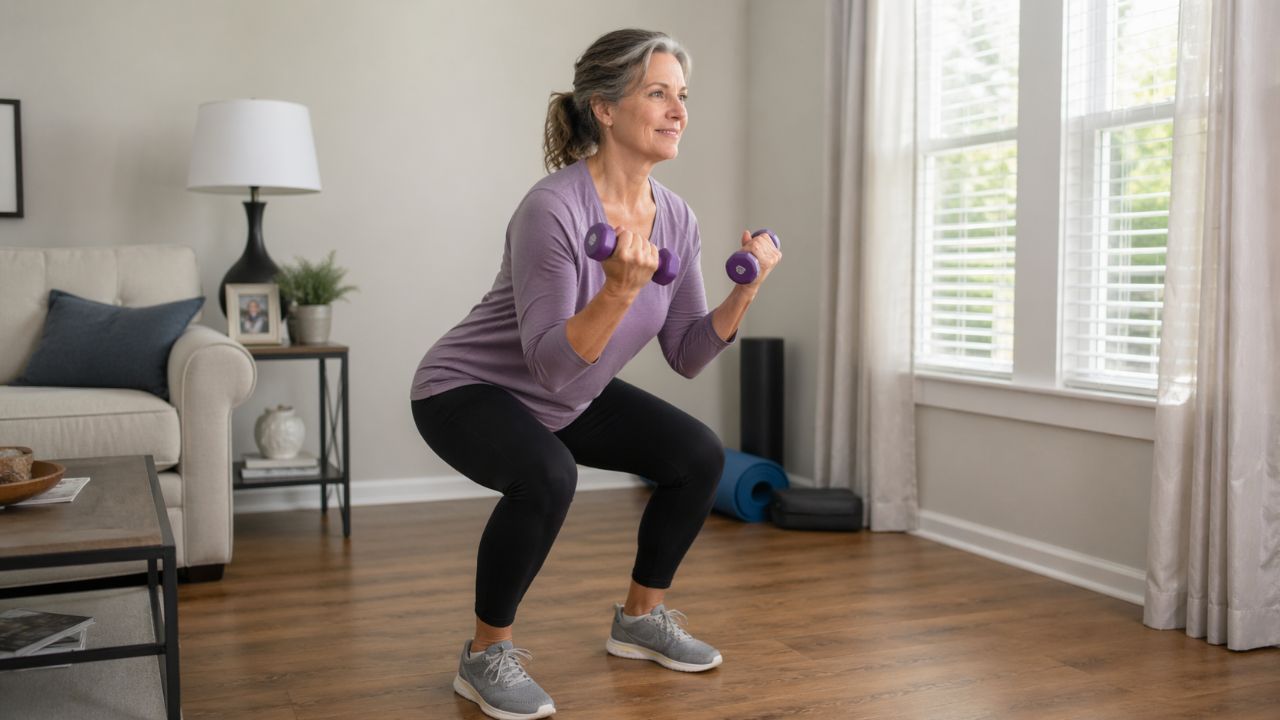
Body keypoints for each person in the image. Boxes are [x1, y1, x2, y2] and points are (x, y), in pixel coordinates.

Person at [410, 28, 780, 720]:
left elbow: (688, 353)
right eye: (658, 93)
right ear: (605, 109)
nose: (679, 111)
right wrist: (617, 289)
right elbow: (550, 363)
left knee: (697, 453)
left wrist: (746, 292)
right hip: (467, 389)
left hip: (566, 395)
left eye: (683, 96)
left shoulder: (676, 219)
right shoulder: (552, 209)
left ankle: (641, 618)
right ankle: (486, 653)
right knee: (547, 474)